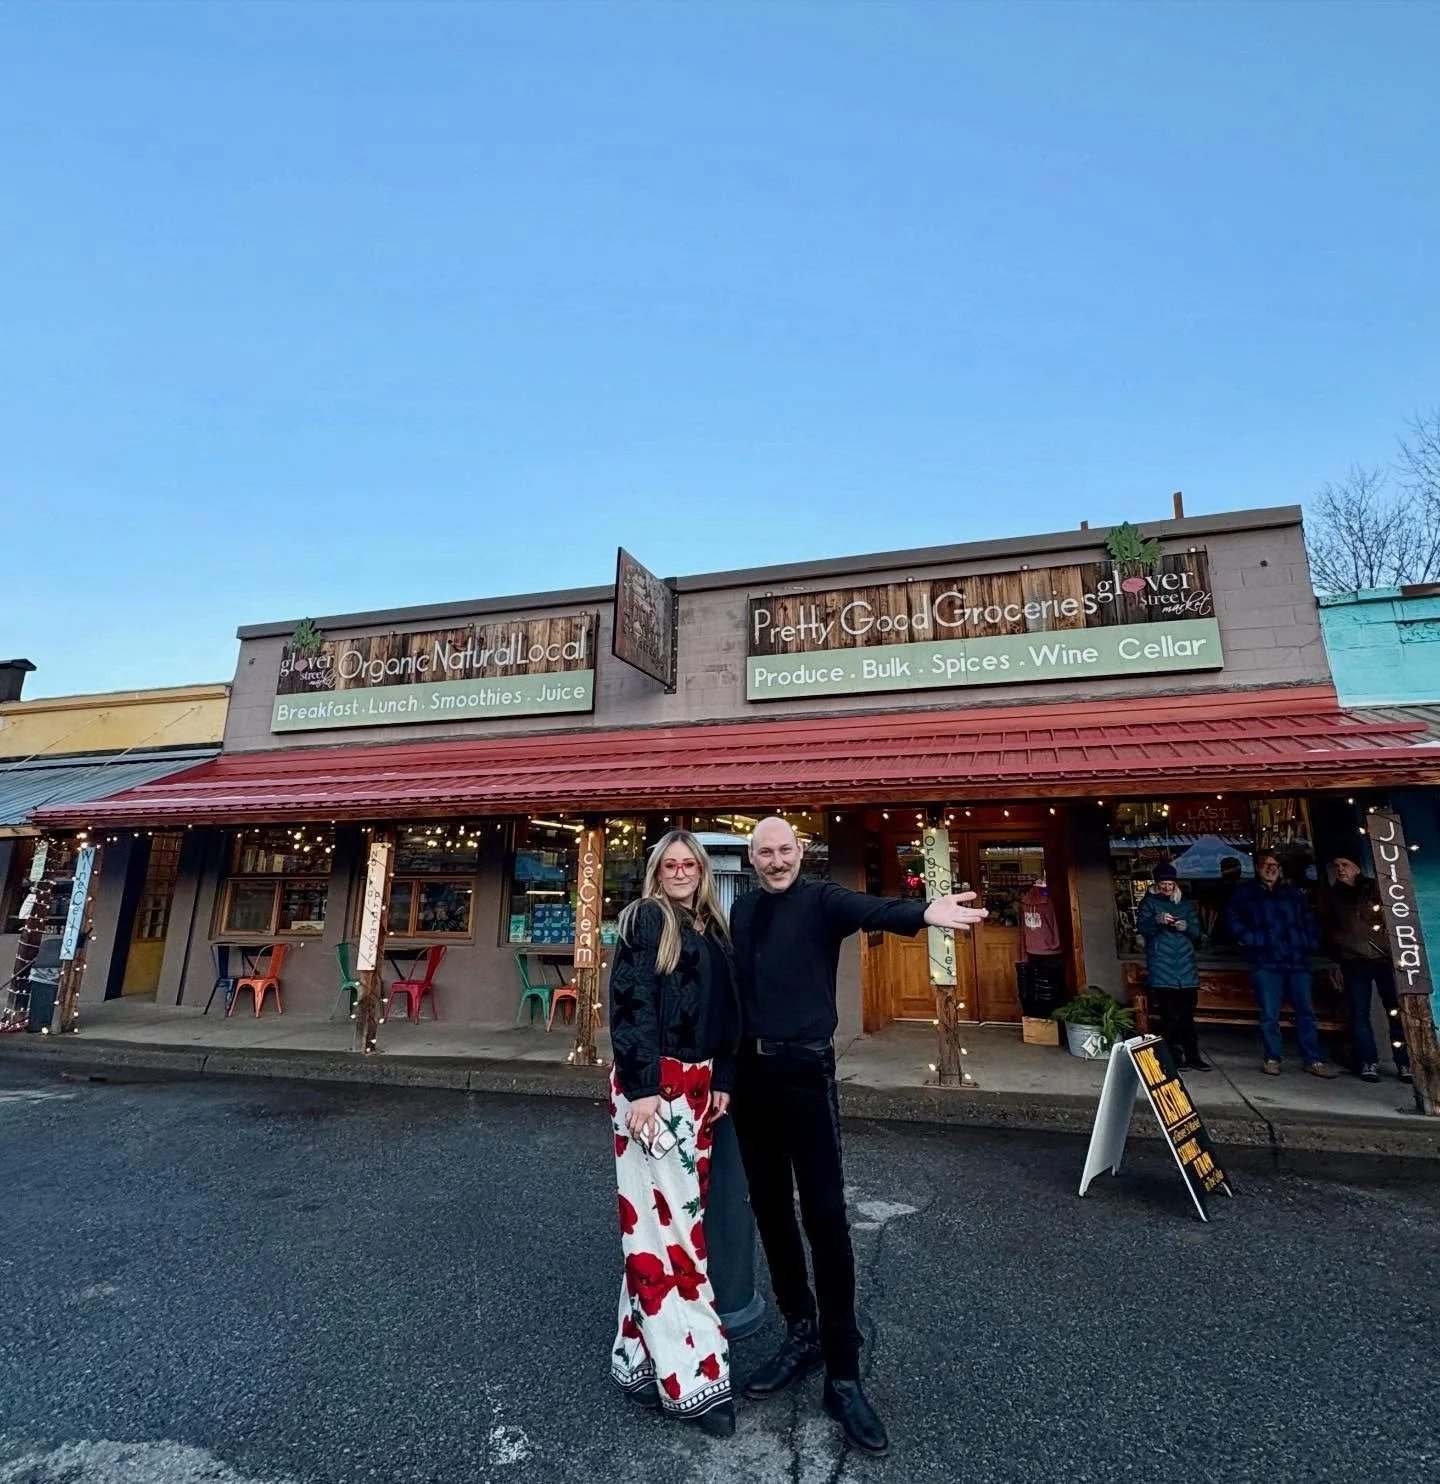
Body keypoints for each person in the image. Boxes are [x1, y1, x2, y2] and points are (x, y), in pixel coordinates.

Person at [729, 816, 987, 1456]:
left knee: (824, 1218)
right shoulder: (742, 914)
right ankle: (801, 1330)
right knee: (770, 1211)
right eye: (765, 852)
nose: (776, 859)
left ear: (800, 851)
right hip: (750, 1079)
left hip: (805, 1074)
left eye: (785, 848)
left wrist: (926, 911)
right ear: (752, 858)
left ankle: (843, 1372)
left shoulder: (821, 899)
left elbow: (873, 907)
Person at [606, 830, 742, 1437]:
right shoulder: (644, 919)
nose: (681, 871)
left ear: (702, 871)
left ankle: (635, 1357)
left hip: (697, 1086)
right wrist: (639, 1090)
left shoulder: (710, 926)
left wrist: (722, 1077)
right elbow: (629, 1002)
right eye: (671, 863)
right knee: (671, 1233)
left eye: (690, 863)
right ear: (656, 870)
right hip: (652, 1090)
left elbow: (727, 1011)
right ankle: (691, 1375)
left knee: (666, 1225)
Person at [1226, 851, 1337, 1078]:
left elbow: (1309, 919)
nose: (1271, 868)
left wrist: (1309, 942)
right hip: (1266, 959)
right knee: (1269, 1013)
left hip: (1296, 959)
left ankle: (1313, 1059)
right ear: (1257, 868)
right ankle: (1272, 1057)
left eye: (1274, 864)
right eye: (1266, 864)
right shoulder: (1246, 894)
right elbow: (1233, 920)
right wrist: (1252, 939)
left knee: (1305, 1012)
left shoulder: (1292, 893)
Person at [1319, 855, 1412, 1084]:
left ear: (1357, 867)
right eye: (1337, 865)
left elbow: (1394, 916)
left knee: (1395, 1010)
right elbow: (1325, 925)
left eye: (1345, 865)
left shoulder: (1374, 888)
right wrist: (1339, 946)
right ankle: (1368, 1061)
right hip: (1353, 960)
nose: (1340, 869)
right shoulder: (1332, 895)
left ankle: (1404, 1062)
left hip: (1382, 959)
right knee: (1359, 1013)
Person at [1136, 861, 1210, 1071]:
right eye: (1163, 884)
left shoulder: (1184, 904)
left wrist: (1185, 926)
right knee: (1169, 1016)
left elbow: (1197, 932)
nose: (1167, 887)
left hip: (1185, 966)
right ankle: (1175, 1056)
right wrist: (1158, 920)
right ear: (1157, 884)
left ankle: (1193, 1055)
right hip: (1162, 966)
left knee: (1187, 1014)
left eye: (1170, 883)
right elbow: (1142, 928)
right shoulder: (1149, 903)